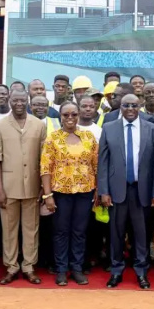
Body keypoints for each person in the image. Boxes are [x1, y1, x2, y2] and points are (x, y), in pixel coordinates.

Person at [99, 93, 154, 289]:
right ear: (120, 107)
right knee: (116, 234)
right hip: (116, 191)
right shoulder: (109, 128)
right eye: (126, 105)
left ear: (140, 105)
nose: (130, 109)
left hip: (141, 191)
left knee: (141, 235)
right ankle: (116, 271)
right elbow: (103, 162)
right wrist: (103, 191)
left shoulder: (152, 129)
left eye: (134, 105)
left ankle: (141, 272)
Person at [0, 89, 46, 285]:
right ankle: (11, 266)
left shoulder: (39, 125)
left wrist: (43, 185)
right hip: (8, 187)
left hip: (32, 185)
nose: (19, 103)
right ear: (10, 101)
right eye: (16, 100)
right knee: (8, 229)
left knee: (31, 229)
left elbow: (43, 159)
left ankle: (29, 266)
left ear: (28, 101)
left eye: (23, 100)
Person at [41, 101, 98, 286]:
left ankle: (77, 269)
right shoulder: (53, 138)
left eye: (74, 114)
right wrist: (47, 195)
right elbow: (45, 168)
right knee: (60, 231)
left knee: (80, 231)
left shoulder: (88, 137)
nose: (70, 118)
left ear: (79, 115)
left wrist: (98, 190)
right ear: (60, 117)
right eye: (66, 115)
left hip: (84, 191)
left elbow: (96, 166)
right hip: (60, 192)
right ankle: (61, 270)